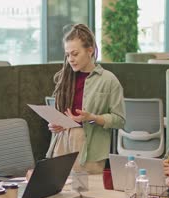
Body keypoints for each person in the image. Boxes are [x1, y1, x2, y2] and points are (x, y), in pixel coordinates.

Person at [46, 24, 125, 174]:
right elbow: (60, 114)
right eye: (67, 55)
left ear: (90, 51)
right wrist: (55, 125)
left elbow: (120, 120)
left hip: (89, 148)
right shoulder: (65, 78)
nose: (70, 59)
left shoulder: (108, 80)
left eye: (75, 54)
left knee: (85, 192)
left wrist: (92, 118)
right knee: (61, 194)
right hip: (61, 141)